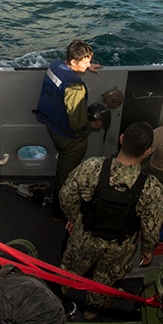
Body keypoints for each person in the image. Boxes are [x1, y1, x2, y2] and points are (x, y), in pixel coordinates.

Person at [59, 122, 163, 319]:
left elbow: (66, 196)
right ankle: (92, 312)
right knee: (104, 281)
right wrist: (148, 251)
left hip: (85, 236)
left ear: (122, 139)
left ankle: (58, 295)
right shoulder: (151, 188)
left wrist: (76, 219)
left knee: (70, 268)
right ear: (148, 151)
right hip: (119, 247)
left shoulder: (92, 167)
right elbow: (151, 227)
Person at [35, 39, 103, 220]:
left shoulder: (56, 65)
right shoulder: (75, 87)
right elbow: (78, 123)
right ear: (73, 62)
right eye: (86, 62)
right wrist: (93, 126)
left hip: (51, 124)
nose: (89, 64)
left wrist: (86, 67)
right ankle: (59, 212)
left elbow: (64, 76)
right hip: (68, 137)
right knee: (66, 176)